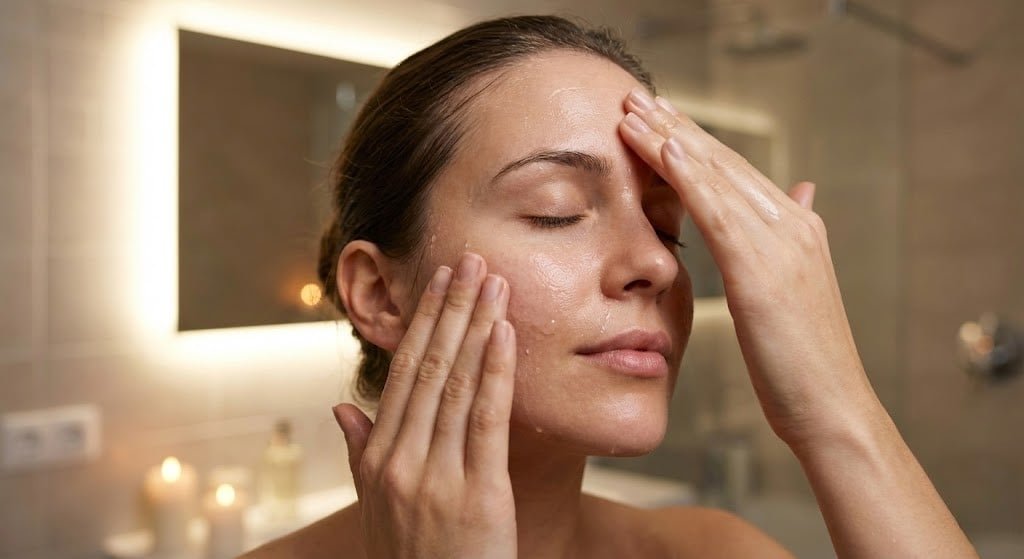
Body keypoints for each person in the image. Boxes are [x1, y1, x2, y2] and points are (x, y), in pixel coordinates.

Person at [243, 15, 978, 558]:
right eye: (555, 211)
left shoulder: (718, 552)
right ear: (379, 293)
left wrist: (834, 404)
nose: (657, 264)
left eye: (666, 226)